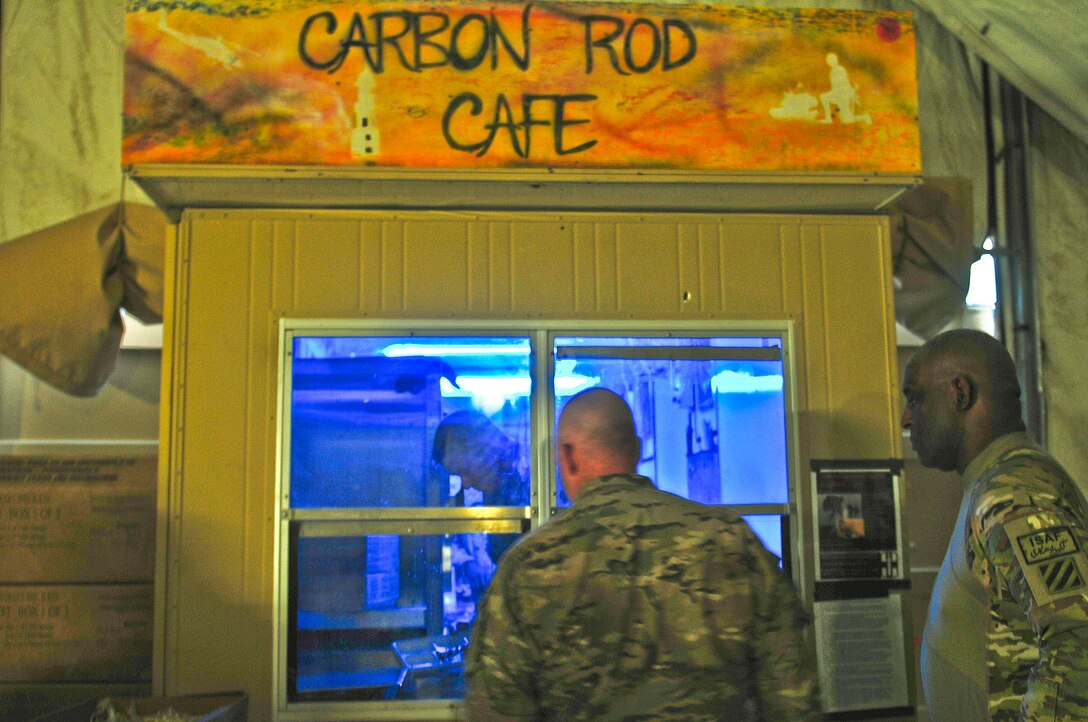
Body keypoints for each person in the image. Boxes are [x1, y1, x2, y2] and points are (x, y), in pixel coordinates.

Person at [465, 387, 819, 721]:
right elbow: (793, 697)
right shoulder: (731, 540)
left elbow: (496, 709)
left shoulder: (530, 564)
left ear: (568, 456)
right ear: (635, 450)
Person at [902, 328, 1088, 720]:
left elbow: (1078, 637)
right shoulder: (992, 484)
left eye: (915, 399)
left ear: (959, 394)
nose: (906, 418)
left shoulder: (1012, 493)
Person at [432, 410, 529, 596]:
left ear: (486, 451)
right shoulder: (483, 487)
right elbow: (449, 537)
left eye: (465, 471)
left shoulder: (533, 479)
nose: (466, 484)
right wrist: (467, 561)